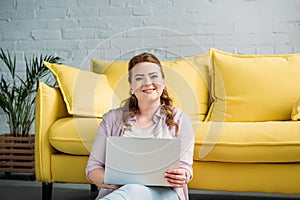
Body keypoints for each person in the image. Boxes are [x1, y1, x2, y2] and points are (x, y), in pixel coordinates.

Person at [86, 52, 195, 200]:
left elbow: (186, 169)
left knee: (133, 190)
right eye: (139, 78)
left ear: (163, 82)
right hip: (120, 191)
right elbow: (93, 170)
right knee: (132, 190)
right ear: (131, 86)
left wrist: (183, 175)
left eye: (153, 76)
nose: (147, 82)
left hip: (164, 194)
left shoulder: (180, 119)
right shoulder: (111, 119)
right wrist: (122, 184)